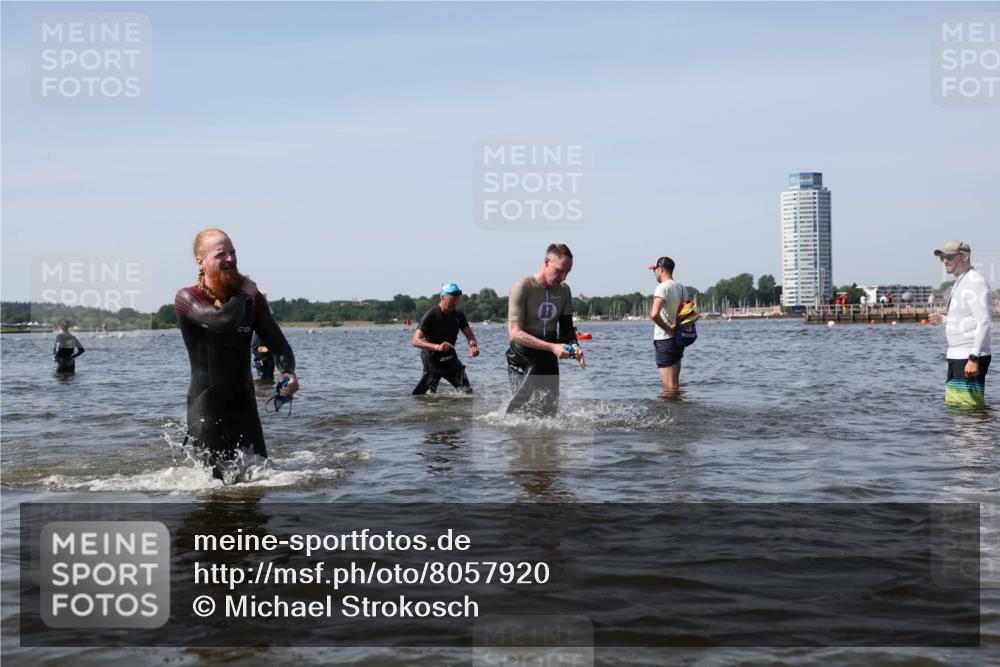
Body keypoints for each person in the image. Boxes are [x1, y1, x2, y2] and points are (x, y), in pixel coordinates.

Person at [174, 229, 299, 481]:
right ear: (201, 260)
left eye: (233, 252)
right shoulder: (187, 298)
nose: (230, 259)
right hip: (207, 406)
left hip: (244, 406)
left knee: (260, 480)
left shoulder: (251, 300)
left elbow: (278, 343)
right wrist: (243, 294)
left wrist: (287, 373)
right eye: (221, 254)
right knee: (216, 486)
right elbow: (222, 322)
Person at [506, 243, 585, 417]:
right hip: (522, 357)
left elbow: (566, 331)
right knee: (522, 415)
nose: (563, 277)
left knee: (549, 415)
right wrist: (552, 347)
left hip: (548, 357)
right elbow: (514, 333)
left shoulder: (564, 291)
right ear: (547, 261)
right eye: (560, 270)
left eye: (568, 272)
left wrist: (574, 346)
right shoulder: (523, 286)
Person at [928, 240, 992, 408]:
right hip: (957, 354)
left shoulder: (975, 282)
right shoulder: (960, 281)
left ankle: (978, 434)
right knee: (957, 408)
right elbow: (966, 319)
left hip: (969, 356)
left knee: (969, 410)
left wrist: (973, 358)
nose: (945, 261)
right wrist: (944, 320)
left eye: (949, 256)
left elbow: (984, 322)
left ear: (965, 256)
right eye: (942, 258)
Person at [411, 282, 479, 395]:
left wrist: (473, 345)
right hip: (432, 360)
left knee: (467, 394)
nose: (456, 300)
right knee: (424, 397)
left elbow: (470, 335)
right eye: (453, 296)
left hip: (450, 360)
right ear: (443, 297)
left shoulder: (458, 314)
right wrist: (437, 347)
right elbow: (416, 341)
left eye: (458, 296)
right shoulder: (431, 315)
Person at [648, 257, 686, 394]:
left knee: (669, 386)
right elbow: (687, 312)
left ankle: (669, 413)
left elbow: (654, 314)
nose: (655, 273)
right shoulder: (681, 288)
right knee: (675, 384)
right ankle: (678, 411)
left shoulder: (662, 288)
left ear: (661, 269)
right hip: (678, 340)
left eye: (655, 270)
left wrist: (668, 328)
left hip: (665, 339)